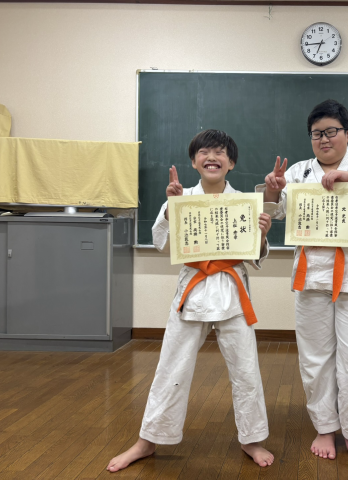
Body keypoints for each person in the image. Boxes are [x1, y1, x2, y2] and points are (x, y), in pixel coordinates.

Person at [107, 130, 275, 472]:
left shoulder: (245, 202)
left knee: (246, 370)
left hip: (232, 289)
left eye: (220, 152)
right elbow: (162, 244)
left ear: (231, 162)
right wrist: (172, 210)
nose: (212, 157)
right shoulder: (181, 198)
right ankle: (148, 440)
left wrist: (261, 234)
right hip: (193, 289)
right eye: (204, 152)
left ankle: (251, 438)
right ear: (193, 161)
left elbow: (254, 256)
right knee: (171, 366)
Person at [258, 100, 348, 459]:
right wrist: (272, 189)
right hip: (311, 277)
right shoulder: (299, 172)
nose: (324, 139)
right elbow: (276, 210)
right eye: (317, 134)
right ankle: (325, 428)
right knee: (316, 358)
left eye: (331, 132)